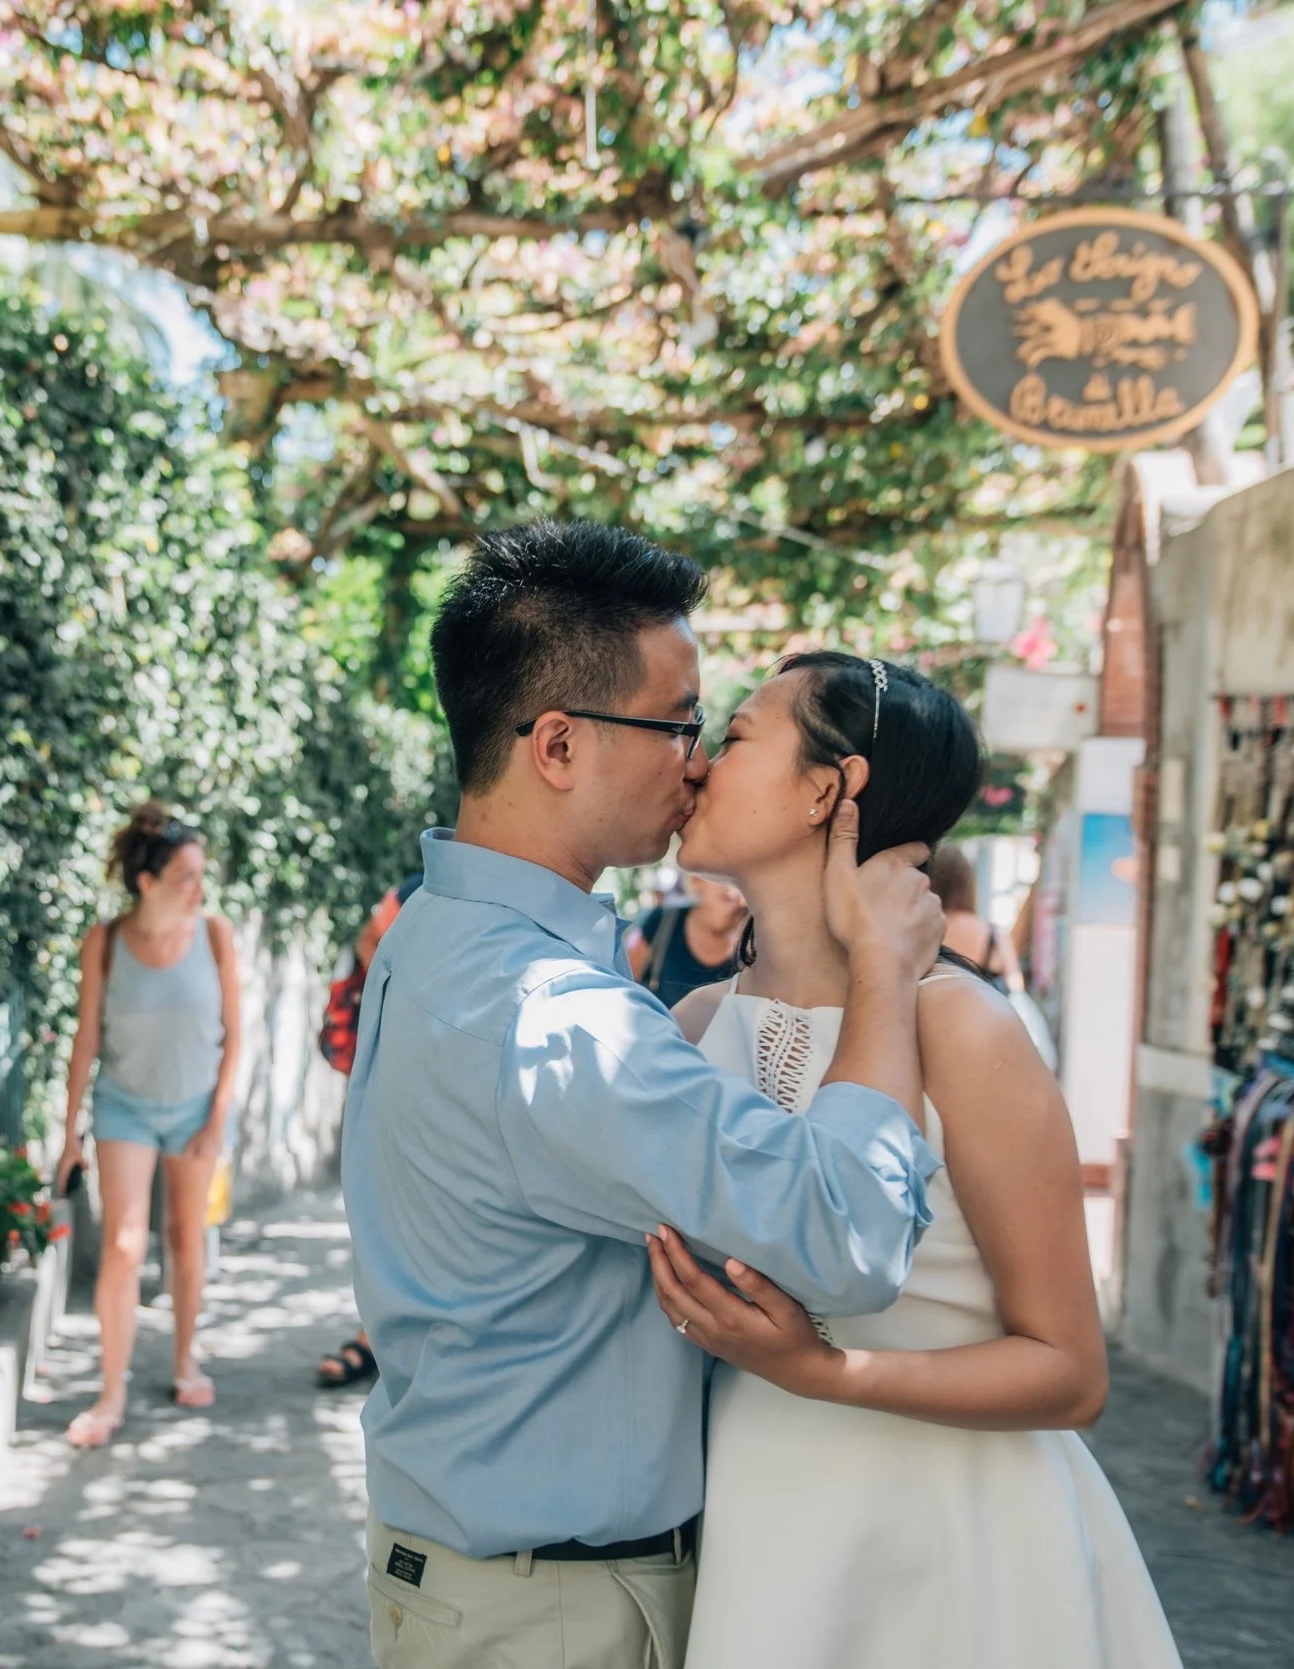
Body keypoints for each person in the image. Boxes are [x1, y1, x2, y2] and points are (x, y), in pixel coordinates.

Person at [341, 522, 946, 1669]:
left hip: (486, 1578)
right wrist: (884, 975)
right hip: (551, 1609)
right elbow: (848, 1236)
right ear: (558, 744)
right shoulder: (554, 1019)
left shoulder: (435, 937)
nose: (698, 760)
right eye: (678, 723)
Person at [649, 651, 1181, 1668]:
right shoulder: (690, 1025)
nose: (697, 763)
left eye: (737, 736)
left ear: (827, 788)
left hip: (953, 1548)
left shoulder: (964, 1031)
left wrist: (826, 1373)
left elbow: (1069, 1373)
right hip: (748, 1523)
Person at [53, 801, 242, 1449]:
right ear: (147, 882)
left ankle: (185, 1357)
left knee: (186, 1238)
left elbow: (236, 1035)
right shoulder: (105, 942)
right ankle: (111, 1393)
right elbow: (85, 1041)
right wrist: (68, 1131)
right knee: (125, 1245)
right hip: (124, 1105)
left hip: (195, 1106)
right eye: (186, 875)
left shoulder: (215, 934)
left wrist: (217, 1118)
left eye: (200, 874)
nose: (199, 887)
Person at [318, 871, 423, 1392]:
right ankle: (373, 1334)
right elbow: (368, 938)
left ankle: (395, 1334)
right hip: (384, 1095)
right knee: (378, 1218)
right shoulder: (413, 892)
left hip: (435, 1099)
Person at [627, 870, 748, 1006]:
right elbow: (625, 986)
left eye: (740, 878)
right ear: (697, 880)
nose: (730, 887)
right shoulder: (662, 922)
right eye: (722, 876)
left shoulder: (757, 938)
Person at [927, 842, 1023, 992]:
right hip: (983, 1013)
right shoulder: (993, 934)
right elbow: (1016, 984)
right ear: (968, 883)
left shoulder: (922, 931)